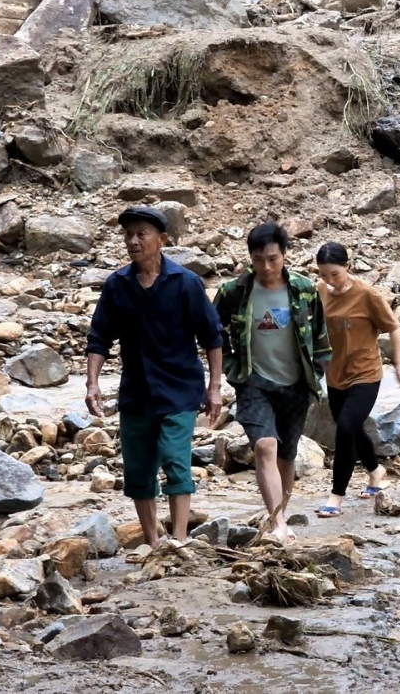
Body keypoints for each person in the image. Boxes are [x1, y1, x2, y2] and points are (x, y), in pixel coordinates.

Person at [85, 206, 224, 549]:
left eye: (141, 234)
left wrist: (215, 387)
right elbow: (99, 337)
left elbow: (212, 337)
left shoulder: (185, 283)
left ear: (161, 239)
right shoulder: (117, 285)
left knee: (176, 459)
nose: (133, 241)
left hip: (179, 389)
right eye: (128, 234)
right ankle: (152, 542)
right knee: (139, 469)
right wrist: (92, 383)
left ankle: (179, 540)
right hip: (137, 392)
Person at [214, 222, 331, 543]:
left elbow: (321, 335)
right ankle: (277, 522)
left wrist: (317, 372)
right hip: (253, 382)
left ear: (284, 255)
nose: (265, 267)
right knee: (266, 446)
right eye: (258, 260)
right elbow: (212, 332)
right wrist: (231, 367)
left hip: (296, 383)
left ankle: (281, 515)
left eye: (272, 259)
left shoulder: (304, 289)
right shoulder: (234, 292)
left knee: (287, 455)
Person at [313, 242, 400, 518]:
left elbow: (393, 327)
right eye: (323, 275)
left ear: (348, 267)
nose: (329, 280)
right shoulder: (319, 291)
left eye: (335, 274)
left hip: (365, 372)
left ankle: (336, 496)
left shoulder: (367, 295)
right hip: (335, 373)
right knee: (351, 427)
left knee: (345, 428)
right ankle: (376, 470)